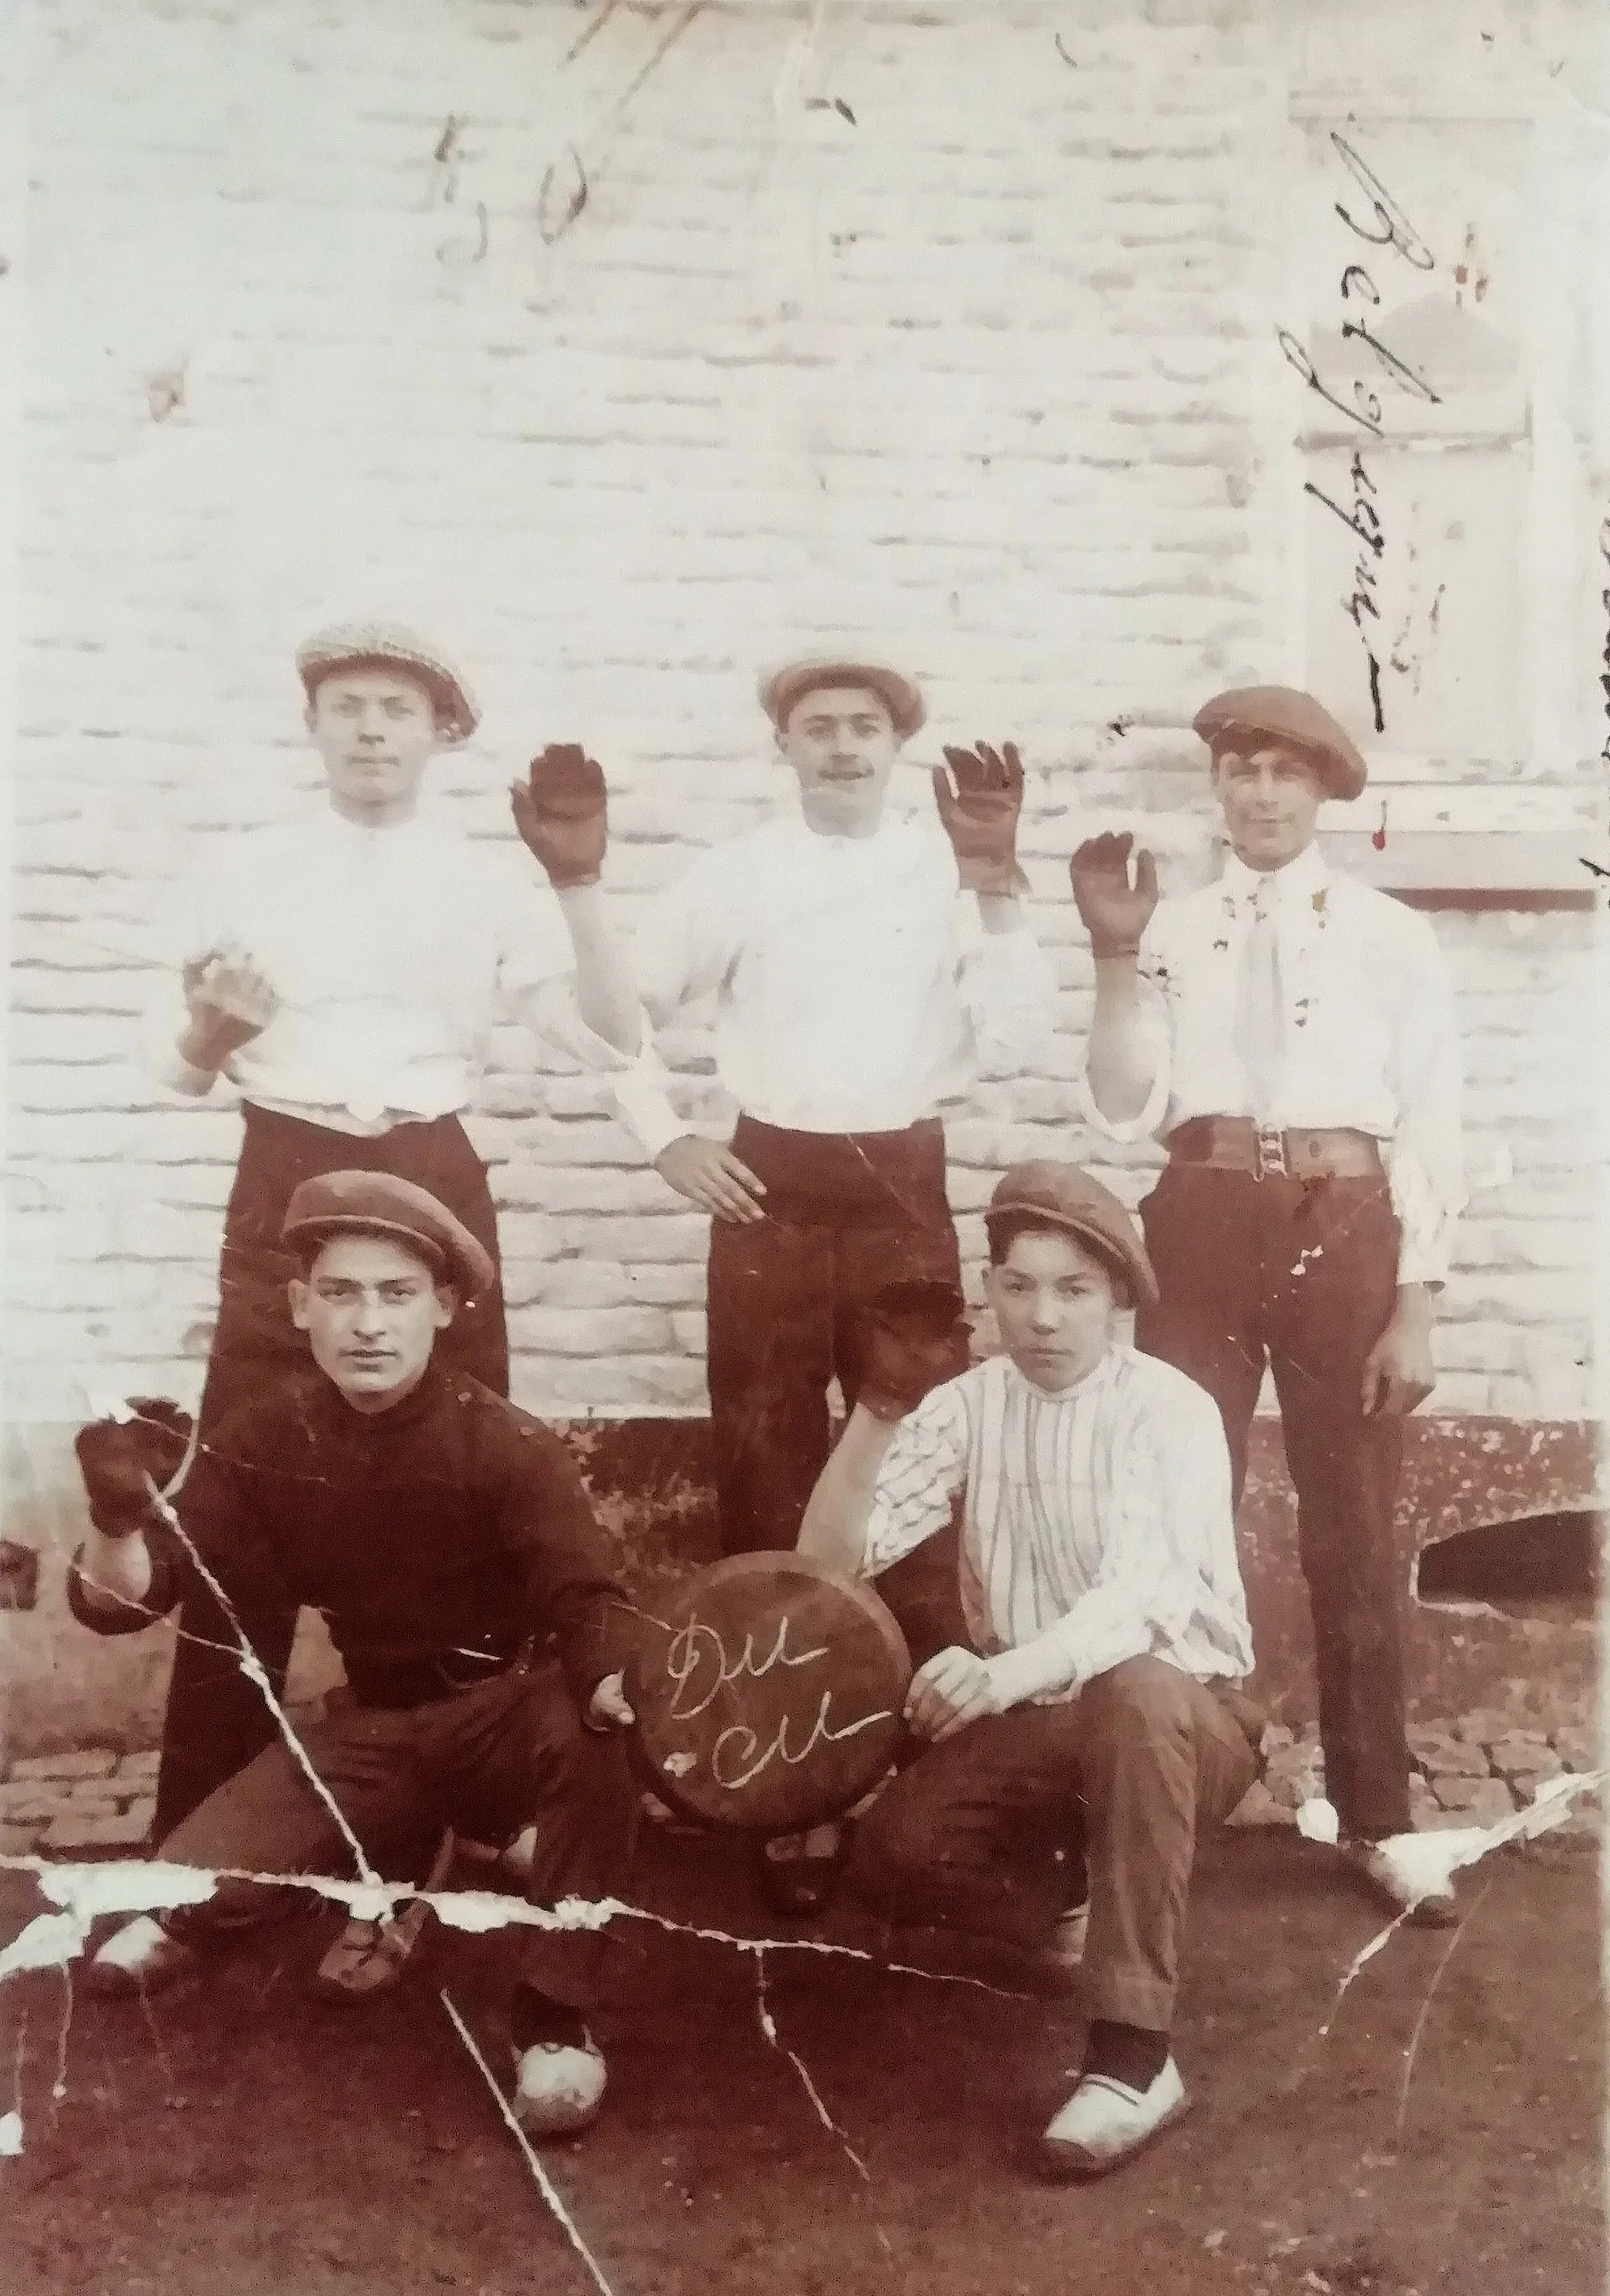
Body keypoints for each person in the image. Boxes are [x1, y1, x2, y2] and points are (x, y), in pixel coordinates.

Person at [142, 622, 641, 1867]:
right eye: (349, 706)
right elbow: (173, 1069)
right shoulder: (245, 869)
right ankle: (197, 1832)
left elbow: (608, 1036)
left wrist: (580, 887)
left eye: (399, 711)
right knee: (235, 1511)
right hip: (285, 1168)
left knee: (466, 1490)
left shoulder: (486, 880)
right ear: (313, 727)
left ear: (438, 737)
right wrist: (209, 1035)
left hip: (431, 1173)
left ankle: (476, 1812)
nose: (372, 729)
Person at [607, 653, 1056, 1912]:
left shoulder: (947, 861)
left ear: (900, 743)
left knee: (916, 1465)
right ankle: (779, 1792)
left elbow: (1020, 1040)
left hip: (904, 1175)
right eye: (819, 727)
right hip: (767, 1183)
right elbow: (614, 1011)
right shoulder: (738, 873)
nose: (844, 747)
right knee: (763, 1466)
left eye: (867, 727)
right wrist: (666, 1135)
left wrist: (999, 886)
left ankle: (909, 1779)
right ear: (784, 745)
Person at [67, 1173, 639, 2142]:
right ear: (299, 1307)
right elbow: (127, 1602)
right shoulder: (265, 1436)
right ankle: (421, 1848)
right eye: (340, 1293)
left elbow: (589, 1601)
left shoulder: (506, 1446)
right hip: (373, 1725)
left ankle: (555, 2016)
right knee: (187, 1888)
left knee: (599, 1733)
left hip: (504, 1712)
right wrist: (119, 1515)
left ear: (444, 1309)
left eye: (396, 1293)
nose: (367, 1323)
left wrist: (618, 1681)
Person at [1068, 684, 1464, 1926]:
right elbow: (1122, 1108)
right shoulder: (1169, 924)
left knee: (1350, 1521)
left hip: (1344, 1226)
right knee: (1175, 1509)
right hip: (1201, 1218)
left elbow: (1437, 1117)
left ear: (1326, 793)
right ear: (1219, 790)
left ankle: (1379, 1819)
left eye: (1288, 775)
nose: (1262, 794)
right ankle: (1155, 1808)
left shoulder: (1391, 933)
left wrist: (1419, 1301)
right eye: (1242, 771)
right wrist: (1114, 956)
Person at [795, 1161, 1264, 2178]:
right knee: (897, 1858)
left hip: (1184, 1716)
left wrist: (999, 1678)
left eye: (1073, 1290)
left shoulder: (1170, 1409)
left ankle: (1135, 2057)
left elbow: (1139, 1601)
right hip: (1042, 1723)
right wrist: (878, 1409)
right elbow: (831, 1566)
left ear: (1120, 1302)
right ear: (990, 1291)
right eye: (1018, 1286)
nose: (1041, 1317)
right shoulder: (971, 1403)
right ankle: (1083, 1900)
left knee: (1134, 1689)